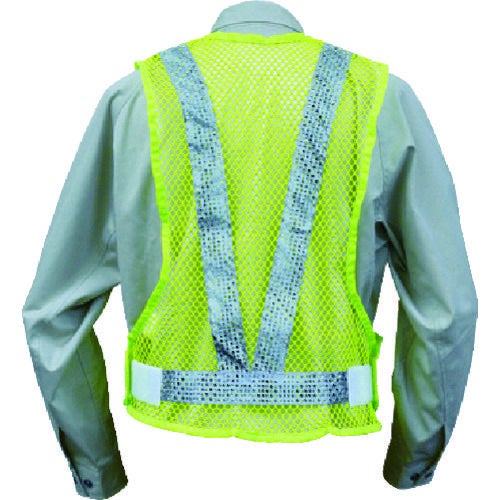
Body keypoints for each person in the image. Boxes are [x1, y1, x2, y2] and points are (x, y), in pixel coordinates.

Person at [22, 2, 478, 499]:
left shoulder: (136, 98)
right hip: (331, 459)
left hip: (167, 453)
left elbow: (54, 311)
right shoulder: (378, 97)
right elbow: (447, 310)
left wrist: (98, 467)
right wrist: (410, 461)